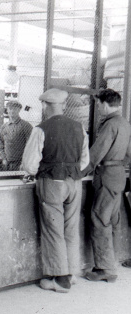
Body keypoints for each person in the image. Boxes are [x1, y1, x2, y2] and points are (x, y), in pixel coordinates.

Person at [21, 88, 89, 293]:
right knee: (70, 228)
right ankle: (71, 273)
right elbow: (85, 161)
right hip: (75, 184)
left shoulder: (41, 129)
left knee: (53, 230)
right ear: (64, 106)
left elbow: (30, 164)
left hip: (51, 183)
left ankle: (60, 280)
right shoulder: (80, 128)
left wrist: (37, 171)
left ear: (44, 106)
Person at [83, 88, 131, 282]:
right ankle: (110, 263)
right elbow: (129, 154)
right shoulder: (125, 123)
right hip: (119, 176)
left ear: (103, 104)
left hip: (106, 176)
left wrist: (79, 172)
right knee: (112, 220)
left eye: (99, 104)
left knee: (99, 219)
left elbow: (96, 154)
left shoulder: (109, 124)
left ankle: (105, 269)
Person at [0, 100, 33, 171]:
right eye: (10, 108)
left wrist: (24, 162)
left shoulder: (26, 126)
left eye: (15, 109)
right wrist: (4, 159)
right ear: (7, 110)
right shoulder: (4, 127)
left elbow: (30, 146)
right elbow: (1, 145)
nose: (12, 111)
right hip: (6, 164)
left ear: (19, 110)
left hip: (20, 164)